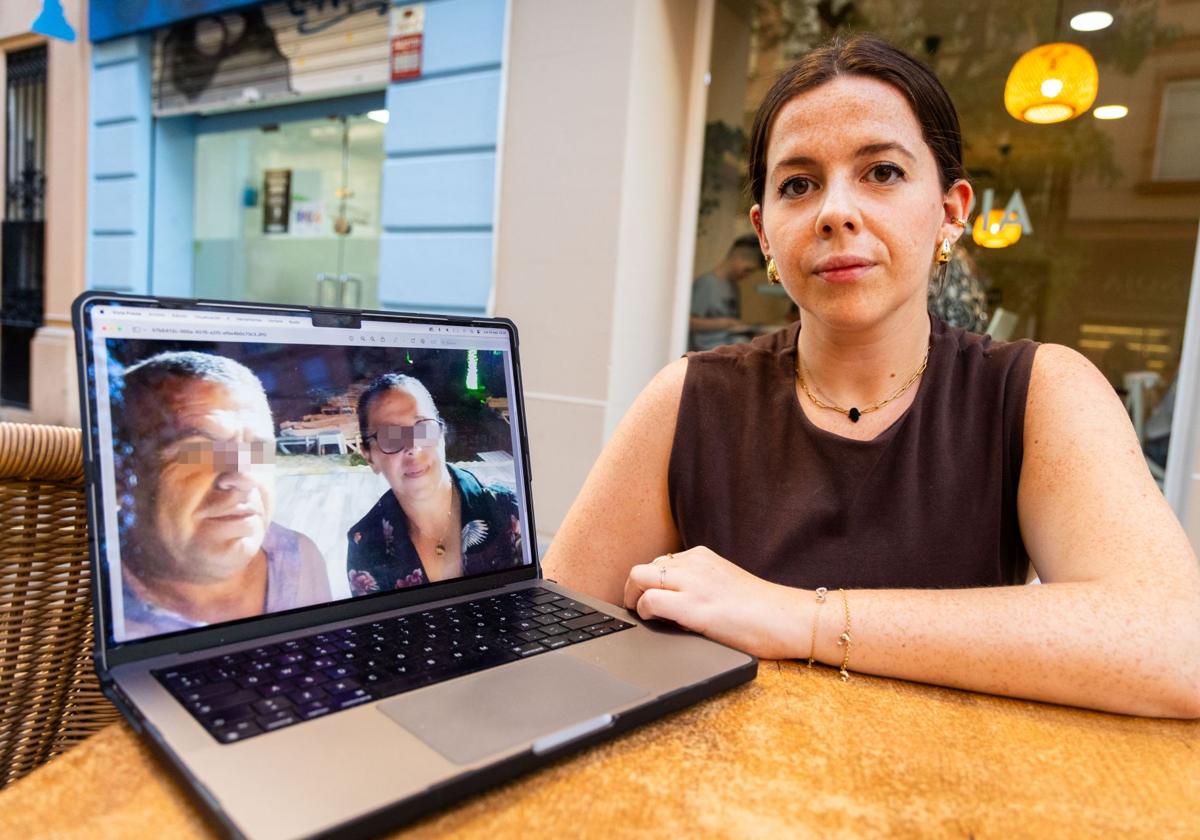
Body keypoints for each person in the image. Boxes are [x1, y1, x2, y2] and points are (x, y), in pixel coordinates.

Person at [543, 34, 1200, 718]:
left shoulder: (1038, 392)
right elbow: (550, 627)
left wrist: (799, 618)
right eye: (799, 184)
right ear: (766, 235)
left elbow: (1178, 644)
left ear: (950, 212)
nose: (835, 212)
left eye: (881, 172)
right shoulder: (690, 399)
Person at [112, 351, 331, 640]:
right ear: (120, 477)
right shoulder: (80, 604)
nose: (242, 477)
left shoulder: (298, 557)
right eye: (200, 450)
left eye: (258, 449)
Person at [346, 373, 522, 594]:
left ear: (441, 433)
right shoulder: (366, 543)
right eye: (390, 437)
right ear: (369, 456)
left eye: (423, 429)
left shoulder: (509, 509)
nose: (413, 448)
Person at [688, 234, 766, 350]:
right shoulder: (706, 284)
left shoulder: (734, 286)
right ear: (737, 257)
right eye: (748, 270)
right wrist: (726, 323)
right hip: (708, 352)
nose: (747, 276)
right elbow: (690, 322)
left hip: (731, 348)